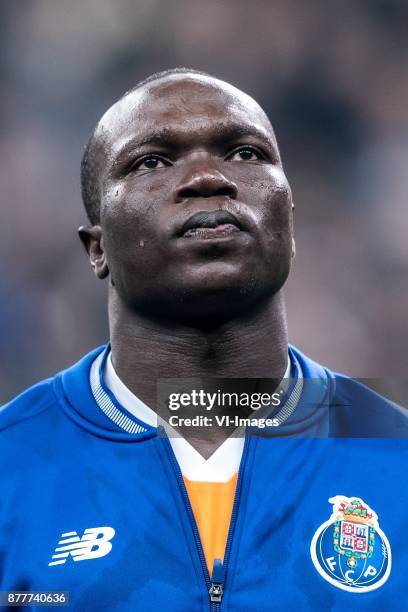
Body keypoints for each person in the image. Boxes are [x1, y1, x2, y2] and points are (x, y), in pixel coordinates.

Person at [0, 68, 406, 611]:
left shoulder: (394, 454)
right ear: (96, 248)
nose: (207, 178)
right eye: (152, 161)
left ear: (289, 221)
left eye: (244, 153)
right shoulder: (12, 466)